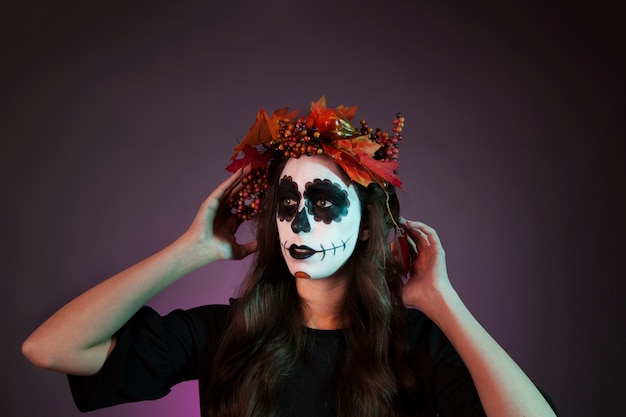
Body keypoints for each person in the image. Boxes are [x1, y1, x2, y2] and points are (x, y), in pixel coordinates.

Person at [22, 97, 558, 417]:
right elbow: (50, 348)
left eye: (323, 203)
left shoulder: (416, 347)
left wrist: (444, 304)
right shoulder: (221, 334)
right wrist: (192, 251)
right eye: (286, 203)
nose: (298, 223)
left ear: (368, 229)